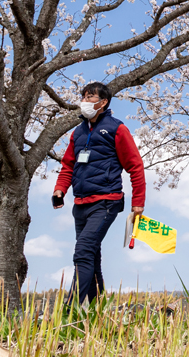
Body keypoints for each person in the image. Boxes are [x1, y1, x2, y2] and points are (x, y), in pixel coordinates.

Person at [53, 82, 146, 306]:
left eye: (90, 97)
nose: (85, 101)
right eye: (83, 96)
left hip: (107, 201)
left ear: (103, 103)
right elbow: (68, 164)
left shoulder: (116, 128)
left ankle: (73, 308)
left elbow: (135, 166)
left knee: (83, 251)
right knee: (91, 255)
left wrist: (138, 203)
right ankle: (96, 308)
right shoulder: (78, 132)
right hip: (81, 203)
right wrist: (60, 189)